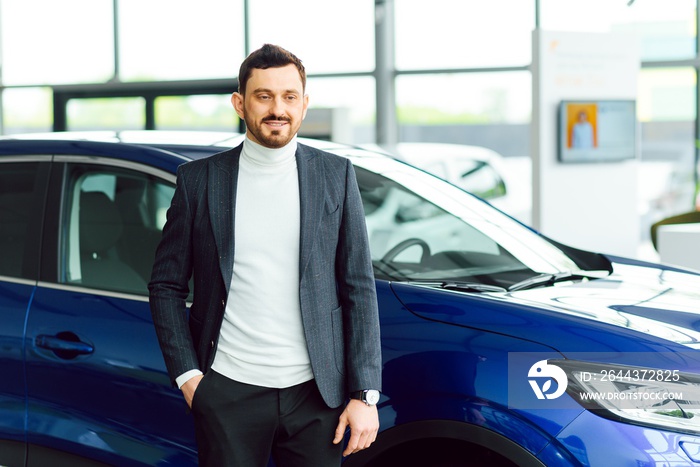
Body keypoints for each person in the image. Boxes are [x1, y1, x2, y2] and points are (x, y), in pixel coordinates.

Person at [148, 43, 382, 467]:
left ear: (305, 104)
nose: (278, 108)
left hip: (318, 395)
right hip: (227, 391)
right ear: (240, 103)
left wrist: (365, 394)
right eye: (264, 96)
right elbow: (165, 285)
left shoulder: (336, 176)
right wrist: (189, 377)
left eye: (289, 96)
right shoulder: (199, 181)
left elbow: (358, 287)